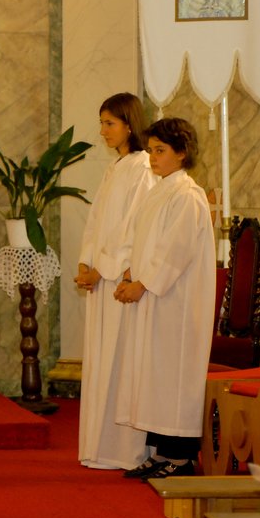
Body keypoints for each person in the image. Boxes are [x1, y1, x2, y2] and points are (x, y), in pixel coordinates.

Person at [114, 117, 216, 480]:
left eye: (160, 150)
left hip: (177, 303)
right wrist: (130, 272)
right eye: (152, 149)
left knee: (173, 377)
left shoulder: (188, 196)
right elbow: (146, 241)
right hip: (157, 298)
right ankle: (160, 452)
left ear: (182, 153)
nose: (153, 157)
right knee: (155, 375)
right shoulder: (160, 191)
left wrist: (143, 283)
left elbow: (175, 251)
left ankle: (182, 457)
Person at [74, 93, 155, 471]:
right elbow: (97, 223)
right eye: (102, 122)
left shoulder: (141, 167)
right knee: (101, 361)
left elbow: (131, 230)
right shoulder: (117, 168)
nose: (103, 130)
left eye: (109, 123)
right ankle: (99, 445)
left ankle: (123, 449)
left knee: (119, 362)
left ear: (129, 124)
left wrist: (102, 268)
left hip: (117, 280)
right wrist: (84, 261)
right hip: (101, 280)